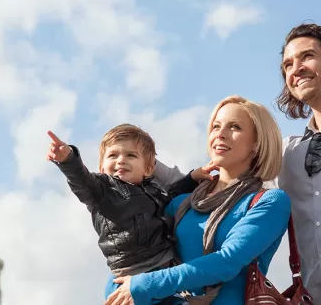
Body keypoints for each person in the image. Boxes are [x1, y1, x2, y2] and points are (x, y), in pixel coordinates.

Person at [104, 96, 291, 305]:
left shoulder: (269, 202)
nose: (220, 134)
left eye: (235, 127)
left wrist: (143, 285)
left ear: (257, 143)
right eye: (215, 126)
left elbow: (227, 262)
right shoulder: (181, 203)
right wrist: (121, 287)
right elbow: (134, 250)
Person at [46, 124, 214, 304]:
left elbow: (171, 196)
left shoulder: (153, 191)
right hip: (129, 275)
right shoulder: (103, 191)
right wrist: (68, 160)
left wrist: (191, 178)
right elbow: (82, 181)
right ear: (102, 167)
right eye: (113, 155)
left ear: (148, 169)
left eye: (131, 155)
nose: (121, 160)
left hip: (159, 273)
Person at [275, 22, 321, 301]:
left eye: (307, 56)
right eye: (288, 65)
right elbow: (223, 176)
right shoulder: (285, 154)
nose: (296, 68)